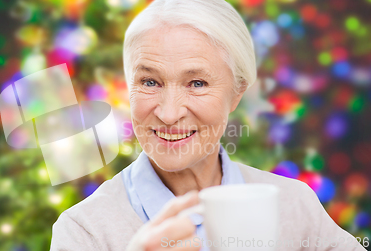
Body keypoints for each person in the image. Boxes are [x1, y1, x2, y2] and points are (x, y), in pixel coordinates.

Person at [51, 0, 365, 250]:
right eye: (149, 82)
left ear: (236, 93)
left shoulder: (294, 205)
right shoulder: (84, 231)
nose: (169, 114)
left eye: (197, 83)